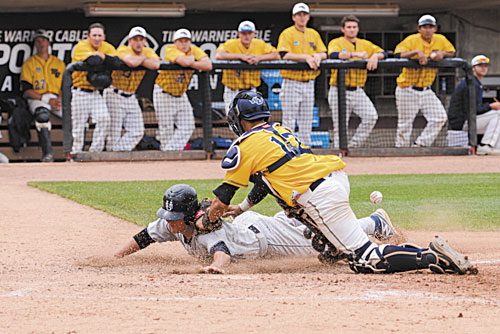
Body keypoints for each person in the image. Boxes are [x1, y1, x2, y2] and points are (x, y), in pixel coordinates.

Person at [201, 90, 477, 275]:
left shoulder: (244, 145)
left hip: (318, 195)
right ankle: (347, 238)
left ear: (238, 119)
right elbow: (266, 179)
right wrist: (243, 208)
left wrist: (211, 220)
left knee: (364, 260)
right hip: (332, 180)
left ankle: (432, 258)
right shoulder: (279, 130)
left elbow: (222, 197)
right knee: (327, 244)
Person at [112, 184, 398, 274]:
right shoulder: (173, 224)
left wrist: (217, 268)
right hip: (253, 228)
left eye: (174, 216)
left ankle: (375, 222)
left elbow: (221, 253)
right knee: (312, 230)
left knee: (328, 242)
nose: (168, 221)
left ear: (187, 215)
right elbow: (143, 237)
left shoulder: (209, 230)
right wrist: (115, 258)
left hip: (270, 240)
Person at [394, 15, 456, 147]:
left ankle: (420, 144)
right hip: (407, 89)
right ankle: (401, 151)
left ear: (435, 28)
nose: (427, 30)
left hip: (426, 90)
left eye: (430, 27)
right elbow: (397, 54)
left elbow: (451, 52)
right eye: (424, 27)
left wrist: (442, 54)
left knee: (440, 117)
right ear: (419, 28)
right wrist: (416, 52)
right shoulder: (412, 40)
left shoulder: (440, 39)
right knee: (405, 124)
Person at [327, 16, 386, 148]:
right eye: (349, 27)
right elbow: (333, 55)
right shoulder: (336, 42)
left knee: (371, 116)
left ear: (358, 29)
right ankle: (340, 153)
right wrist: (355, 55)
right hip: (338, 90)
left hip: (358, 90)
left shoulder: (365, 44)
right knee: (340, 125)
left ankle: (353, 145)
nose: (352, 30)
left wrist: (375, 56)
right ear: (343, 29)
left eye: (354, 27)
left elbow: (384, 53)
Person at [276, 2, 327, 146]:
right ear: (293, 17)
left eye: (304, 14)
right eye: (299, 15)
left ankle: (305, 151)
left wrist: (318, 56)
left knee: (306, 120)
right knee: (289, 120)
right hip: (292, 82)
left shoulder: (313, 34)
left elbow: (324, 53)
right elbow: (284, 54)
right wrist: (306, 57)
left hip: (309, 83)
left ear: (309, 17)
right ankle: (287, 151)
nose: (302, 17)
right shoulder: (288, 33)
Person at [153, 28, 212, 151]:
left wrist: (191, 62)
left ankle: (170, 151)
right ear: (175, 42)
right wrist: (193, 60)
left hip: (180, 94)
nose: (184, 44)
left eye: (186, 41)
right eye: (180, 41)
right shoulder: (170, 49)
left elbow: (208, 65)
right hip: (164, 92)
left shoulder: (194, 50)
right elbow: (184, 61)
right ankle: (167, 153)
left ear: (190, 42)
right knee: (166, 128)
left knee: (188, 126)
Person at [104, 27, 160, 152]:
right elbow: (131, 62)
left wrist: (141, 58)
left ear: (145, 41)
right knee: (114, 133)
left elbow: (156, 64)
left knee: (138, 131)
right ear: (129, 41)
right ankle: (109, 159)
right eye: (135, 39)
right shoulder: (123, 49)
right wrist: (144, 59)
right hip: (114, 94)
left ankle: (118, 154)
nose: (138, 42)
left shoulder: (147, 50)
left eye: (141, 39)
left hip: (131, 96)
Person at [20, 29, 66, 162]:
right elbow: (26, 91)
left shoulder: (58, 63)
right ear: (35, 44)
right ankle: (48, 154)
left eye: (44, 40)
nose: (41, 44)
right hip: (38, 98)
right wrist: (46, 99)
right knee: (42, 116)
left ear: (48, 42)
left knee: (73, 116)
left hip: (56, 99)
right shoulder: (30, 63)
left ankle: (73, 152)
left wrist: (59, 99)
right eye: (38, 41)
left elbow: (64, 86)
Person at [71, 22, 117, 154]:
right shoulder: (81, 46)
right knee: (79, 127)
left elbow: (116, 61)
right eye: (94, 35)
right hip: (80, 92)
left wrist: (103, 56)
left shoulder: (107, 47)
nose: (97, 38)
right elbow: (93, 60)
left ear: (104, 37)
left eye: (99, 35)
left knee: (104, 118)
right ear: (88, 36)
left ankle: (95, 152)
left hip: (95, 93)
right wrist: (104, 58)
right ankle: (75, 154)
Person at [216, 20, 280, 113]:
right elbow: (219, 55)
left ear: (254, 34)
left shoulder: (259, 44)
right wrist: (240, 56)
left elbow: (276, 55)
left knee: (252, 120)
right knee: (233, 120)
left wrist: (259, 58)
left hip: (251, 90)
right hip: (233, 90)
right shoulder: (231, 44)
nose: (247, 36)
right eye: (244, 33)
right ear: (239, 34)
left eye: (249, 33)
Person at [448, 55, 500, 155]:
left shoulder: (475, 82)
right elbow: (474, 110)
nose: (483, 68)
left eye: (485, 66)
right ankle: (486, 145)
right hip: (462, 123)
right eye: (480, 65)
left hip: (468, 121)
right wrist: (491, 106)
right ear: (473, 68)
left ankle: (495, 147)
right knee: (498, 114)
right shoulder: (470, 84)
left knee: (496, 118)